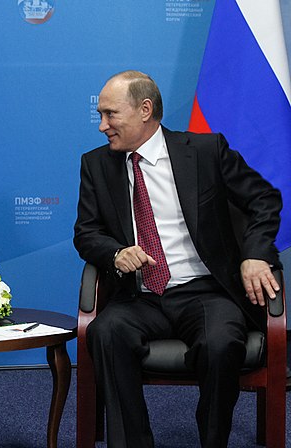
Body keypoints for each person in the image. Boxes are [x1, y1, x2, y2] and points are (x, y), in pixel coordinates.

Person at [73, 70, 282, 448]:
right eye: (100, 115)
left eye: (110, 114)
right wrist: (116, 253)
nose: (102, 125)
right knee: (105, 332)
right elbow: (86, 233)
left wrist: (255, 254)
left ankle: (213, 438)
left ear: (145, 110)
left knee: (220, 343)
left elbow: (263, 200)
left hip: (206, 291)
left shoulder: (205, 151)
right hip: (140, 296)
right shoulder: (96, 164)